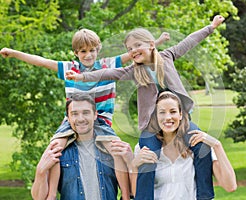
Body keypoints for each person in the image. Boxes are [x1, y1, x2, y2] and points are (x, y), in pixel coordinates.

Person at [65, 15, 225, 200]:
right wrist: (81, 77)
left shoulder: (168, 56)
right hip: (152, 126)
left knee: (201, 147)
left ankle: (205, 196)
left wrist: (211, 27)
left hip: (180, 121)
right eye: (129, 49)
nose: (133, 51)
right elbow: (108, 73)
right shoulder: (134, 71)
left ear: (151, 44)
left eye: (136, 46)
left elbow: (189, 41)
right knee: (147, 157)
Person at [0, 29, 169, 200]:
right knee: (55, 150)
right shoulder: (69, 68)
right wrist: (14, 53)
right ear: (76, 53)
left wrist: (158, 41)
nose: (88, 55)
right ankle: (51, 194)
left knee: (117, 152)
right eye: (83, 51)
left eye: (92, 50)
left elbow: (136, 52)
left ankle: (126, 195)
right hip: (71, 121)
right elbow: (42, 62)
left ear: (98, 49)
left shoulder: (108, 65)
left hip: (101, 121)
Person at [110, 91, 237, 199]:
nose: (168, 117)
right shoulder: (144, 148)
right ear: (155, 116)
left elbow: (230, 186)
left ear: (180, 115)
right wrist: (133, 165)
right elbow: (137, 194)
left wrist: (217, 145)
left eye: (173, 111)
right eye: (162, 112)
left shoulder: (197, 145)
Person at [31, 93, 120, 200]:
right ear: (68, 118)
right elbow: (39, 198)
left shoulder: (111, 147)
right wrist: (40, 171)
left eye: (86, 113)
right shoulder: (59, 151)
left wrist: (130, 161)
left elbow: (132, 192)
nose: (81, 119)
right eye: (74, 114)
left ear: (95, 115)